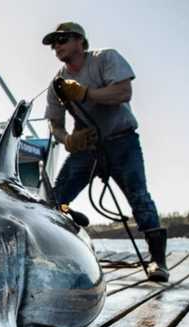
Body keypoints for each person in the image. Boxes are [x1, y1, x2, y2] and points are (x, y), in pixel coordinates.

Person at [43, 22, 169, 282]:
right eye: (53, 42)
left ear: (80, 41)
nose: (57, 45)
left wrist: (86, 93)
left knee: (139, 197)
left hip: (122, 143)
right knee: (54, 203)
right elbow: (54, 123)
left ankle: (158, 262)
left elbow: (123, 92)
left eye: (62, 39)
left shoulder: (106, 58)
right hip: (86, 148)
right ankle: (51, 259)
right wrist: (68, 139)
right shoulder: (56, 83)